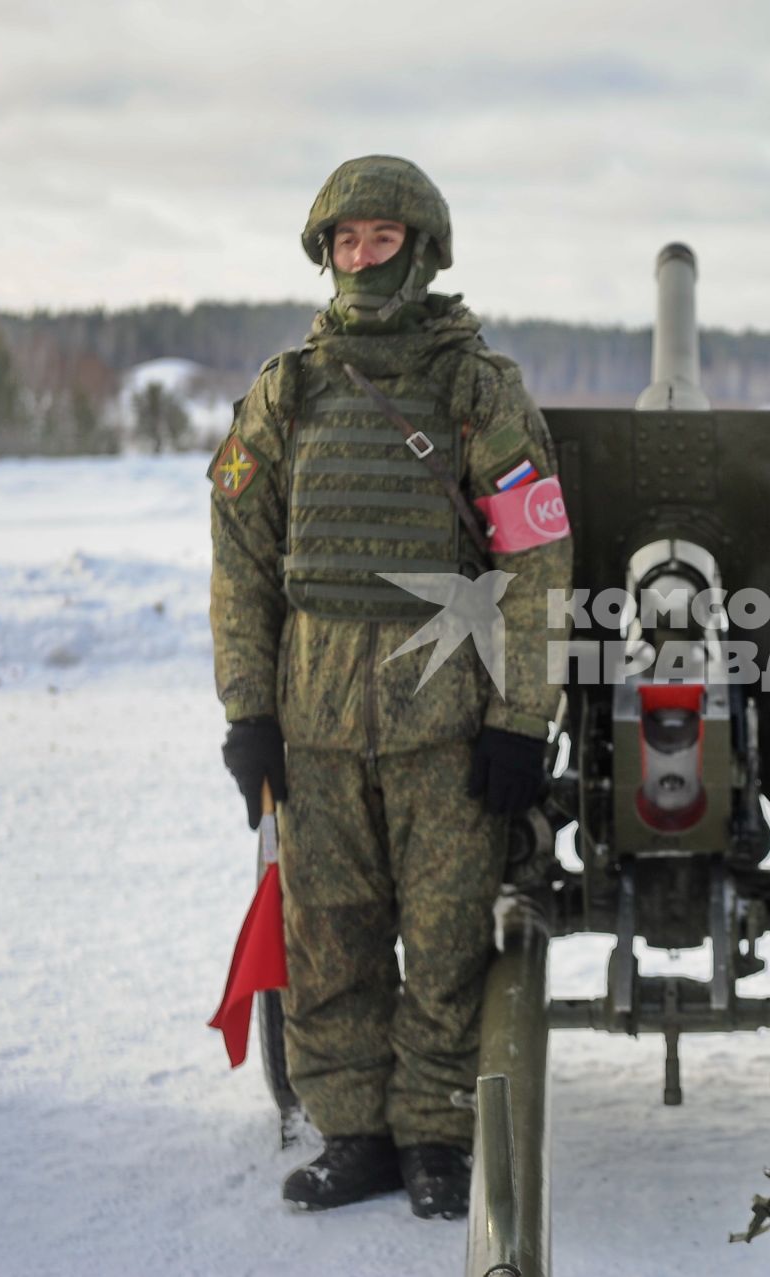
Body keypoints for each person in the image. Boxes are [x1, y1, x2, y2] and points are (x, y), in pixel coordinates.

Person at [209, 155, 570, 1219]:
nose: (362, 258)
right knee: (331, 935)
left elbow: (535, 563)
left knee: (449, 937)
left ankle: (435, 1133)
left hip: (445, 724)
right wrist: (248, 714)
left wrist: (521, 719)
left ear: (421, 248)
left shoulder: (476, 387)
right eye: (345, 242)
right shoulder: (289, 390)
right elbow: (240, 562)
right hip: (315, 726)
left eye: (381, 239)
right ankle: (354, 1131)